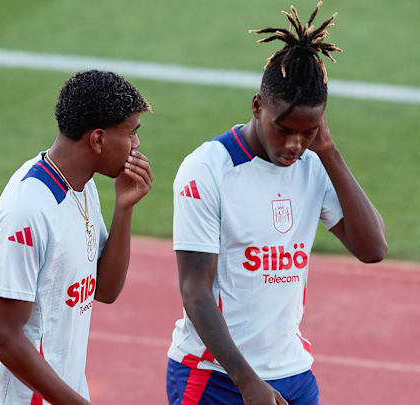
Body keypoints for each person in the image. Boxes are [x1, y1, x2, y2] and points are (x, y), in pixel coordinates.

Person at [165, 2, 387, 405]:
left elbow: (373, 249)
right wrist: (247, 383)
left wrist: (330, 151)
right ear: (257, 106)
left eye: (309, 132)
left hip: (293, 374)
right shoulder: (207, 169)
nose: (293, 145)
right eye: (283, 129)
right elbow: (194, 289)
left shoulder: (314, 165)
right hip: (216, 378)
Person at [0, 70, 153, 405]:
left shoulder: (83, 188)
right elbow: (4, 336)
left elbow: (105, 290)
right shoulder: (26, 212)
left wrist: (124, 208)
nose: (137, 145)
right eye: (131, 134)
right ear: (97, 139)